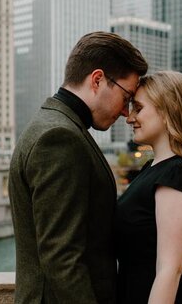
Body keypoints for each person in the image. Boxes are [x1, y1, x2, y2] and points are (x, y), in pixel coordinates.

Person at [10, 31, 148, 304]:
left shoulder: (53, 124)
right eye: (126, 96)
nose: (125, 111)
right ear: (97, 80)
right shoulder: (60, 138)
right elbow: (62, 258)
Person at [115, 71, 182, 304]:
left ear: (168, 111)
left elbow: (169, 271)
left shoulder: (178, 174)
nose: (129, 117)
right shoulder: (153, 170)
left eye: (139, 108)